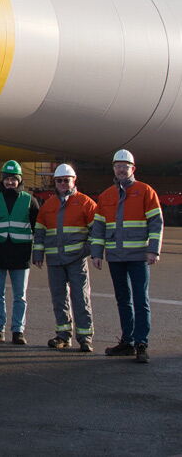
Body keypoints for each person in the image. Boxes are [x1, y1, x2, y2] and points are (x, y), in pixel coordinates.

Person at [90, 149, 163, 363]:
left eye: (125, 166)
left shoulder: (145, 191)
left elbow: (156, 223)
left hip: (139, 257)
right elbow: (98, 227)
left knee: (140, 300)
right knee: (123, 300)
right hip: (116, 257)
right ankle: (128, 342)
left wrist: (153, 250)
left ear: (133, 169)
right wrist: (96, 253)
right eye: (118, 166)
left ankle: (141, 344)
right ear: (113, 168)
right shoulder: (106, 196)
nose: (121, 170)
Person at [32, 164, 97, 353]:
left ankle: (85, 338)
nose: (62, 183)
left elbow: (97, 230)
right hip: (55, 260)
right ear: (55, 182)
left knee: (81, 298)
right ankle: (63, 335)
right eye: (59, 180)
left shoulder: (85, 203)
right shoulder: (48, 205)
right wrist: (38, 254)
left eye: (66, 180)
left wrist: (86, 250)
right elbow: (40, 232)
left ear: (73, 180)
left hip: (76, 260)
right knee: (59, 299)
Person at [0, 160, 40, 345]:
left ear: (19, 180)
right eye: (7, 178)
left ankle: (18, 331)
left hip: (20, 255)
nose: (10, 182)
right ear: (3, 179)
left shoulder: (30, 200)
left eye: (14, 179)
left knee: (20, 296)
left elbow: (36, 226)